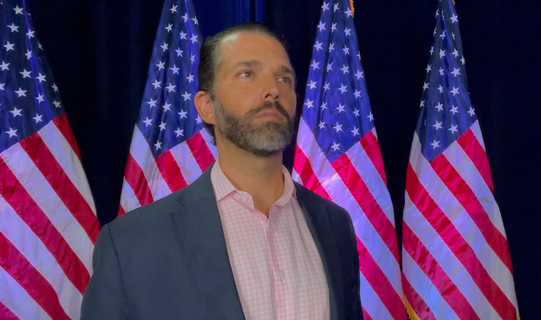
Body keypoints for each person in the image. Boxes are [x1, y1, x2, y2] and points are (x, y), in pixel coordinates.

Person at [80, 22, 363, 320]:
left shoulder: (335, 226)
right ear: (207, 107)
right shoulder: (132, 243)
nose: (272, 90)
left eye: (283, 78)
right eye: (246, 74)